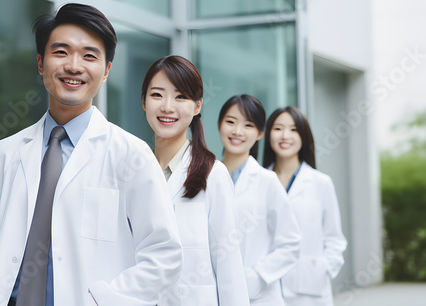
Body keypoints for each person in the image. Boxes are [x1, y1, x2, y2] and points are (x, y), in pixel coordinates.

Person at [0, 3, 183, 306]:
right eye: (61, 52)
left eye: (89, 56)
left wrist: (103, 300)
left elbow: (163, 254)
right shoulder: (5, 153)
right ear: (41, 63)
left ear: (105, 72)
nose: (74, 66)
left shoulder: (132, 155)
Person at [141, 55, 250, 305]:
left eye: (180, 97)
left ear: (198, 106)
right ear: (144, 102)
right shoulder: (132, 171)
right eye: (157, 95)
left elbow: (229, 265)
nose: (168, 106)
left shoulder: (214, 175)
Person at [217, 95, 301, 306]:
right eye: (230, 122)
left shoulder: (267, 181)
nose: (237, 131)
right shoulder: (205, 178)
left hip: (259, 297)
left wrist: (256, 278)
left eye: (248, 125)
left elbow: (290, 243)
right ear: (219, 125)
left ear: (260, 133)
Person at [263, 106, 347, 306]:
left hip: (310, 290)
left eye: (294, 130)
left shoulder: (320, 183)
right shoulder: (259, 180)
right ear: (267, 135)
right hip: (266, 287)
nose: (285, 136)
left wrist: (321, 269)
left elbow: (334, 239)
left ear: (304, 136)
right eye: (278, 129)